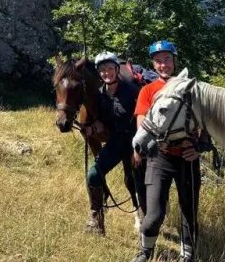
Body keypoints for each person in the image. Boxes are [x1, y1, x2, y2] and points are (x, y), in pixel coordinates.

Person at [131, 40, 209, 262]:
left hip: (187, 159)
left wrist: (198, 148)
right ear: (153, 65)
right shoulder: (148, 90)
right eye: (158, 61)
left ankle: (187, 256)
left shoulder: (190, 89)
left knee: (189, 212)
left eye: (167, 60)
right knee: (154, 215)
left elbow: (206, 124)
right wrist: (151, 145)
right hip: (160, 158)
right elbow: (142, 123)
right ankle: (145, 252)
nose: (163, 65)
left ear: (174, 62)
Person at [84, 51, 146, 235]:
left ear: (117, 69)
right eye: (102, 70)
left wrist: (138, 150)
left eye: (110, 68)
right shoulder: (100, 95)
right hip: (115, 142)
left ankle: (144, 219)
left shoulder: (132, 90)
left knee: (138, 181)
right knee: (93, 175)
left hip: (135, 141)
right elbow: (101, 120)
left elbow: (144, 119)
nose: (107, 73)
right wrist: (95, 126)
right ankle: (96, 218)